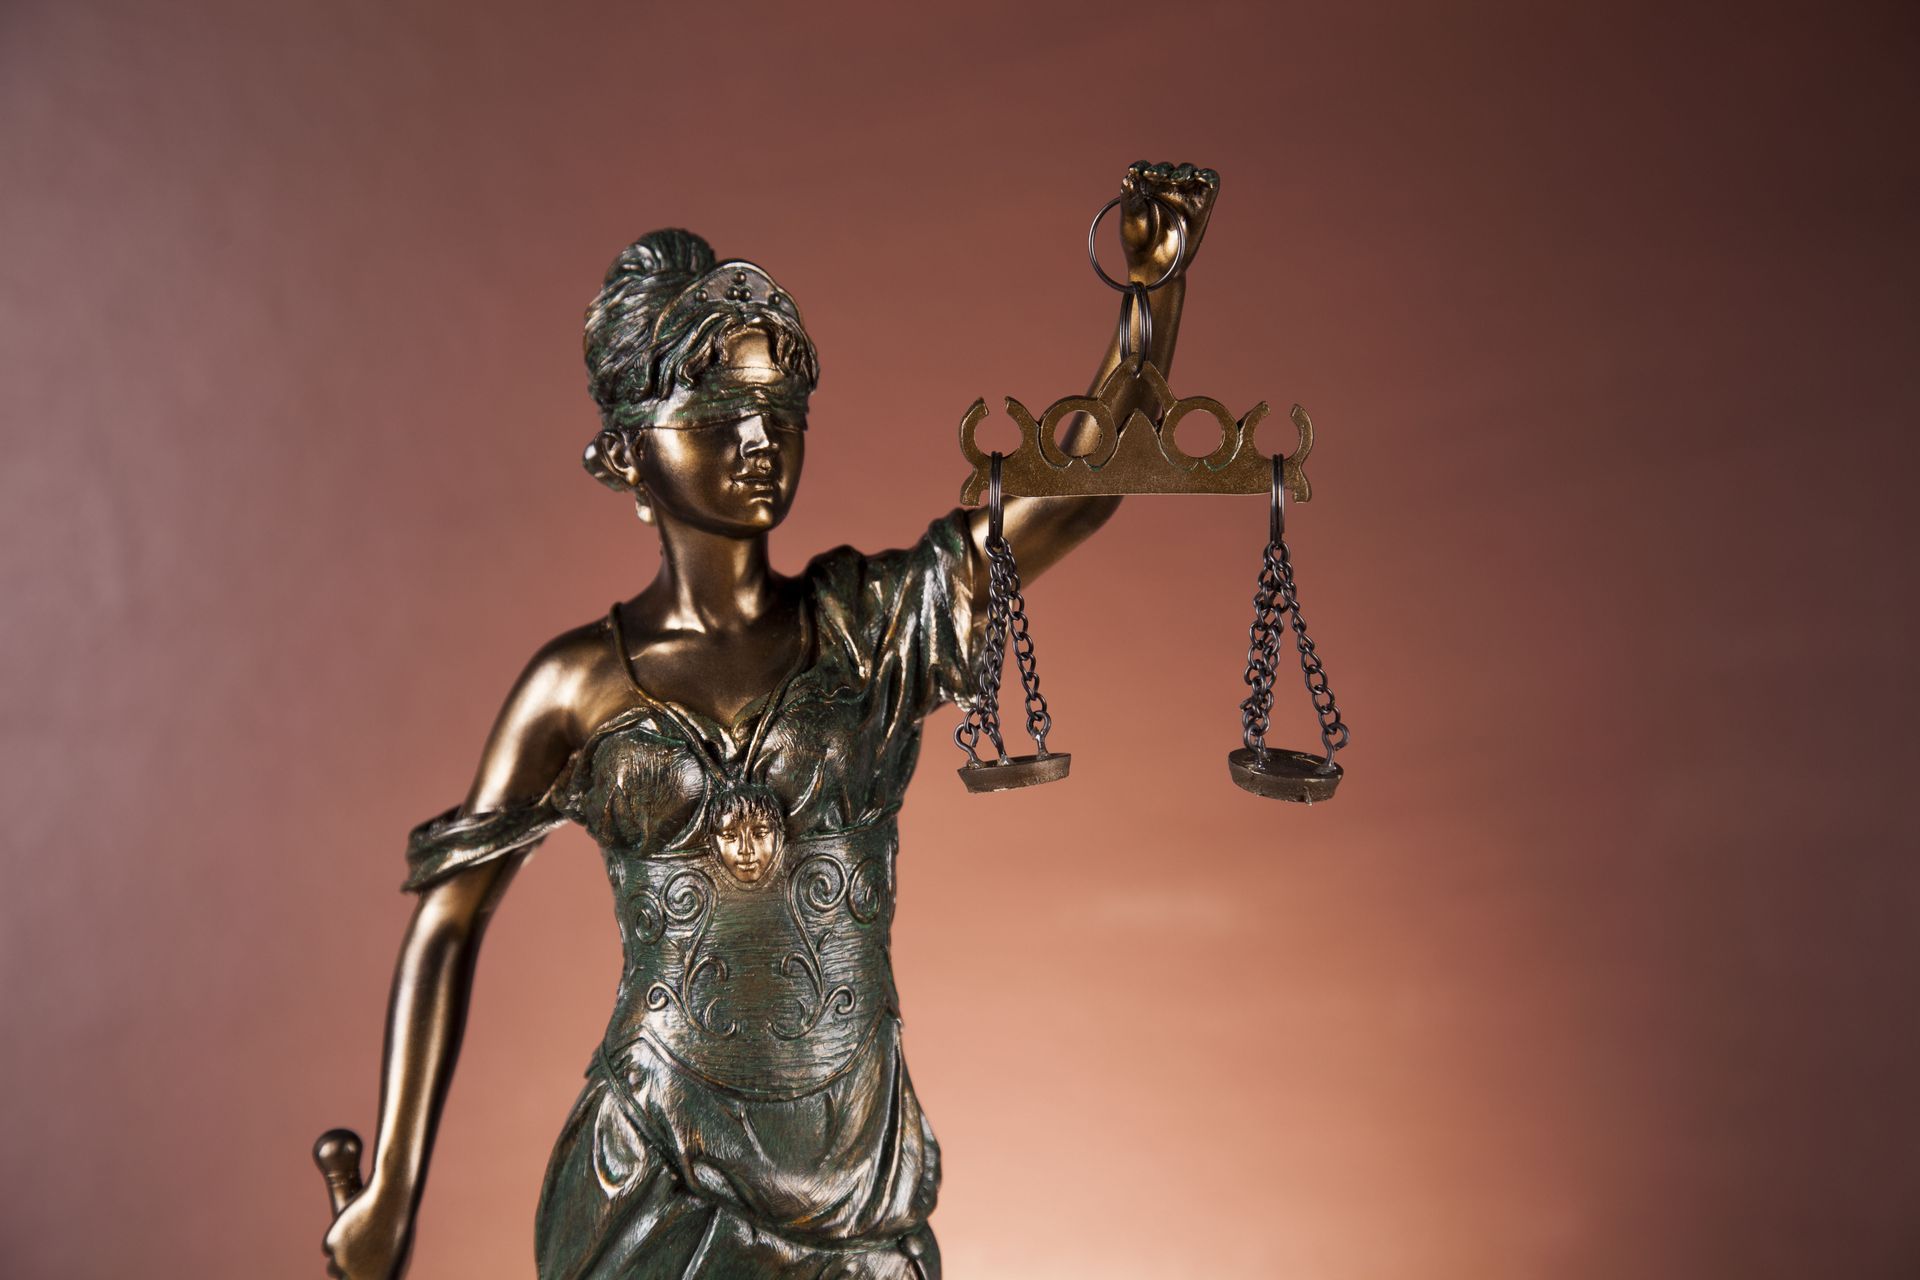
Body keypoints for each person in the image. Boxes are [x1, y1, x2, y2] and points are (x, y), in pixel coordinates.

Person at [322, 162, 1217, 1280]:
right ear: (628, 451)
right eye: (717, 414)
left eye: (780, 412)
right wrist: (395, 1188)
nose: (759, 439)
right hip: (652, 1184)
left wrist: (1152, 300)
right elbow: (451, 921)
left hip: (855, 1183)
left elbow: (1079, 493)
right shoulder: (576, 688)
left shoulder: (868, 627)